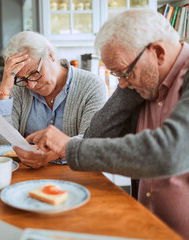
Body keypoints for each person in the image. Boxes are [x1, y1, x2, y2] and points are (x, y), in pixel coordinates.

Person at [14, 9, 189, 239]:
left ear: (157, 52)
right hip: (144, 227)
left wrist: (68, 147)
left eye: (125, 72)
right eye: (117, 75)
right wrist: (132, 81)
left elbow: (169, 152)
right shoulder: (144, 87)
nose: (123, 84)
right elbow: (96, 135)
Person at [0, 31, 108, 166]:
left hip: (75, 173)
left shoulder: (92, 86)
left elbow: (92, 141)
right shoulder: (19, 88)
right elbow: (0, 143)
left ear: (50, 55)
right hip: (27, 174)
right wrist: (4, 90)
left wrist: (51, 154)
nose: (31, 85)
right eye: (23, 79)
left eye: (34, 73)